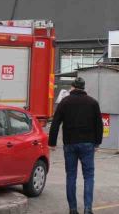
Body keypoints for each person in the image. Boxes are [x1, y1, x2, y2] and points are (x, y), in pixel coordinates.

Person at [49, 77, 103, 214]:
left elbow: (55, 123)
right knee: (89, 176)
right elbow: (99, 124)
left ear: (73, 87)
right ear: (83, 88)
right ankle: (87, 209)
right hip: (88, 144)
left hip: (70, 144)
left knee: (71, 176)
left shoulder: (64, 102)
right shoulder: (93, 103)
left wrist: (52, 143)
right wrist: (97, 142)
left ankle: (73, 209)